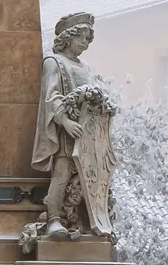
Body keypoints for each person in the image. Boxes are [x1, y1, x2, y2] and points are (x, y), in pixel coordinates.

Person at [31, 12, 117, 238]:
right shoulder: (53, 62)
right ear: (67, 37)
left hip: (87, 133)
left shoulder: (85, 67)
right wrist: (66, 121)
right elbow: (51, 97)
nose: (85, 42)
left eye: (88, 39)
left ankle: (83, 220)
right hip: (67, 131)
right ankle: (54, 220)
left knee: (87, 176)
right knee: (62, 172)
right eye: (81, 36)